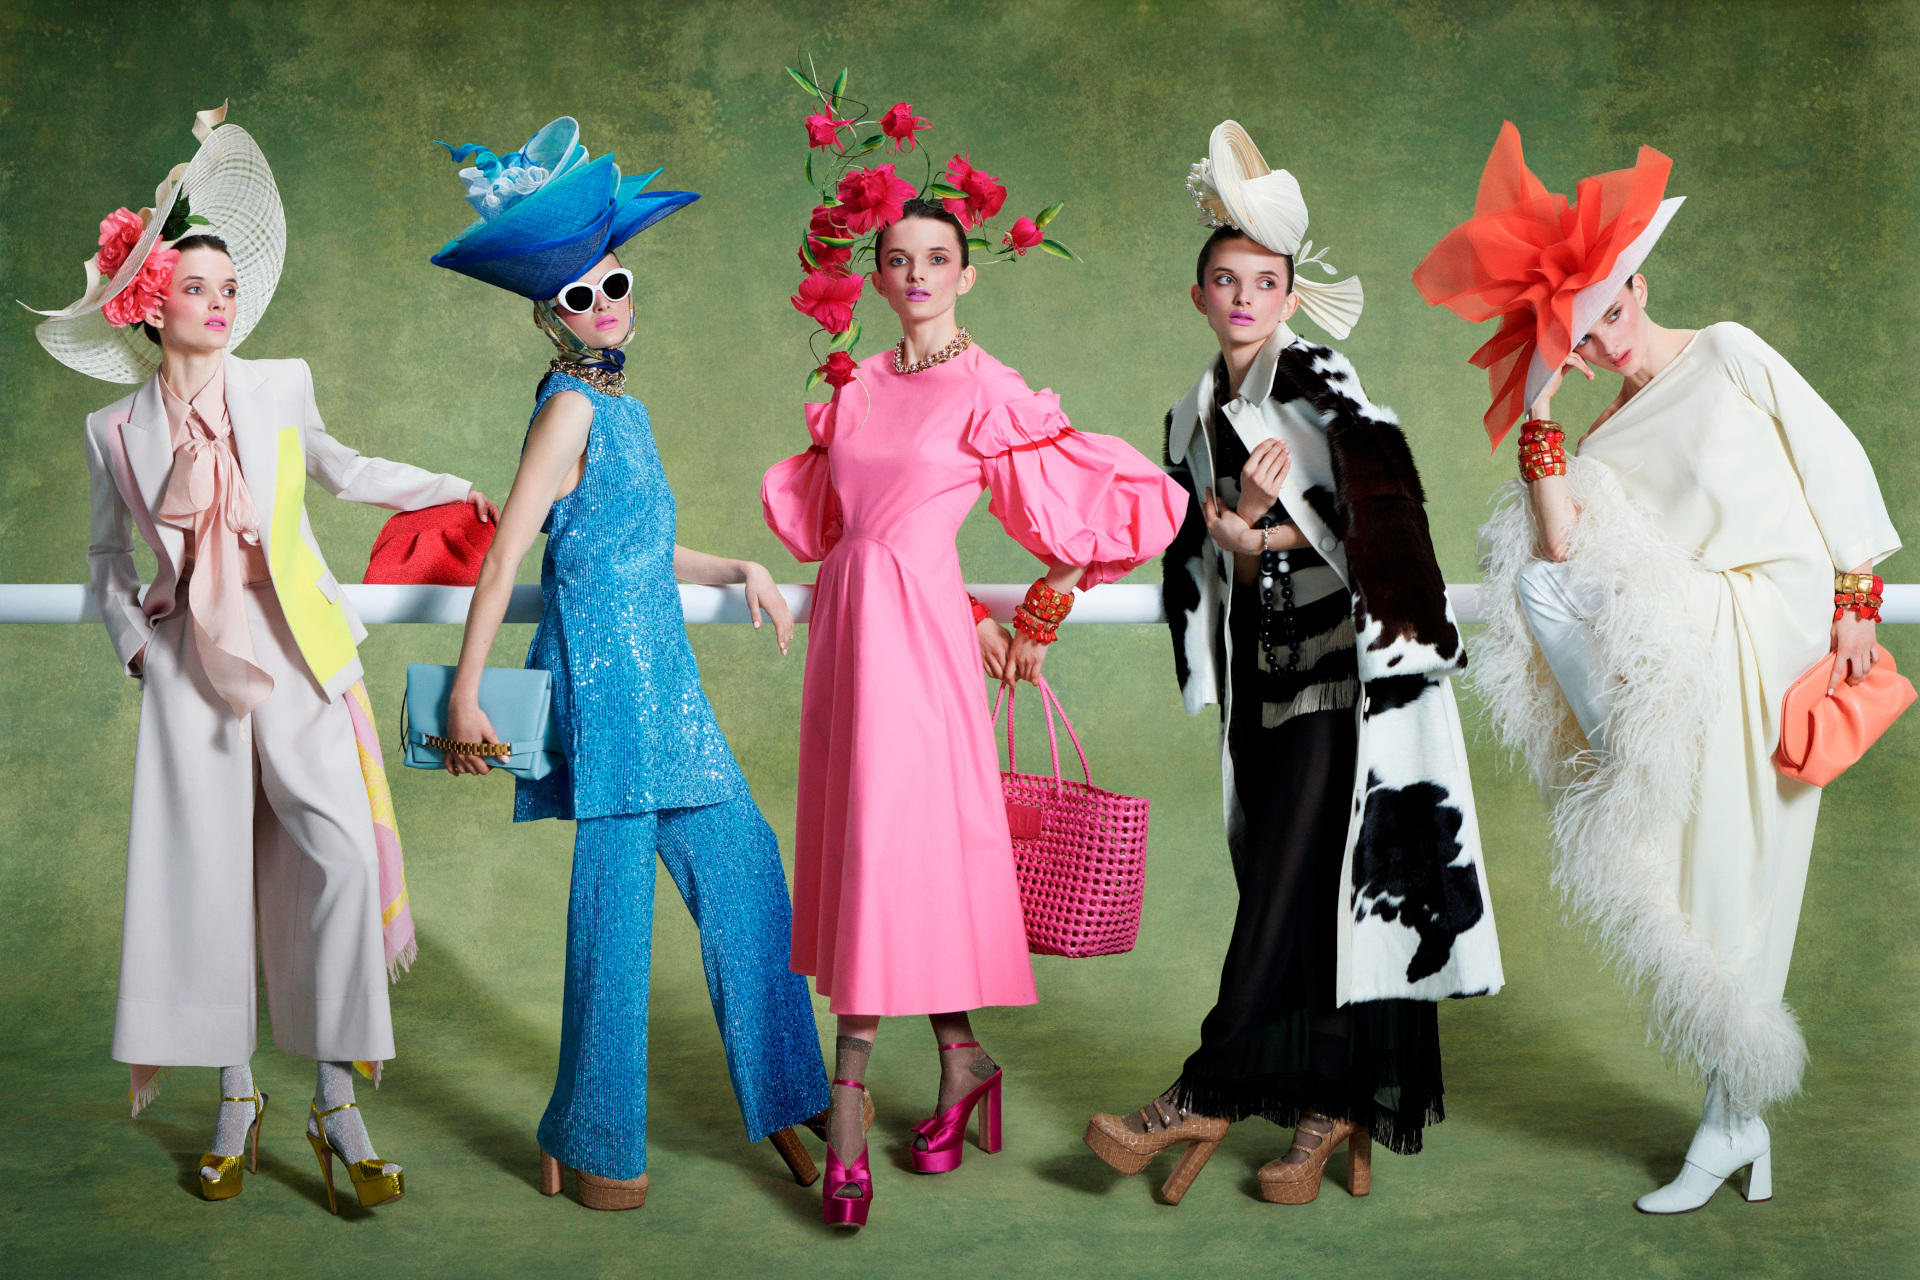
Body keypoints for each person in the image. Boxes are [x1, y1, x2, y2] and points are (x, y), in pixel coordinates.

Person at [1415, 122, 1901, 1213]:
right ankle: (1738, 1122)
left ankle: (1733, 1126)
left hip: (1773, 623)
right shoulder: (1601, 434)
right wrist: (1539, 408)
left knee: (1755, 877)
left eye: (1613, 302)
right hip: (1687, 658)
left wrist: (1857, 593)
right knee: (1716, 875)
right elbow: (1558, 554)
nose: (1605, 335)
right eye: (1578, 331)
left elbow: (1835, 457)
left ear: (1640, 277)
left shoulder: (1728, 349)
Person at [33, 106, 494, 1210]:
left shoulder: (278, 382)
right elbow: (105, 557)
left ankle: (338, 1100)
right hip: (189, 663)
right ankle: (237, 1099)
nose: (224, 302)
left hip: (295, 648)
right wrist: (137, 646)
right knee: (208, 880)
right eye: (200, 287)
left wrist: (454, 488)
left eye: (230, 287)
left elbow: (340, 469)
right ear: (151, 305)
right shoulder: (114, 430)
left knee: (335, 853)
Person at [1083, 122, 1503, 1206]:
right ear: (1198, 295)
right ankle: (1332, 1102)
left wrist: (1261, 530)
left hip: (1344, 682)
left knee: (1287, 883)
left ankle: (1205, 1088)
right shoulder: (1191, 411)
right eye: (1222, 280)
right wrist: (1213, 552)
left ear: (1287, 298)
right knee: (1309, 886)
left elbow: (1384, 509)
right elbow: (1188, 541)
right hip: (1265, 681)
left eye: (1260, 283)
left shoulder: (1318, 377)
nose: (1240, 298)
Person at [429, 117, 829, 1211]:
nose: (606, 306)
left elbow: (641, 545)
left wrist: (737, 561)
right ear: (547, 317)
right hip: (603, 688)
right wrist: (466, 689)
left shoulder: (627, 408)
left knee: (744, 867)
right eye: (580, 297)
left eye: (615, 283)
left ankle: (790, 1093)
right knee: (613, 912)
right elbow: (512, 546)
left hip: (668, 682)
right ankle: (592, 1131)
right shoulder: (565, 406)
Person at [762, 196, 1186, 1227]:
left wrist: (1040, 604)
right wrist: (969, 611)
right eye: (897, 258)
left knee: (882, 854)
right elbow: (848, 533)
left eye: (937, 257)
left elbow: (1102, 501)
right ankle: (963, 1058)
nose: (916, 273)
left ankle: (850, 1108)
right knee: (885, 857)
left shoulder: (987, 389)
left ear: (968, 273)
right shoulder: (856, 384)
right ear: (875, 272)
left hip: (915, 655)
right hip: (854, 637)